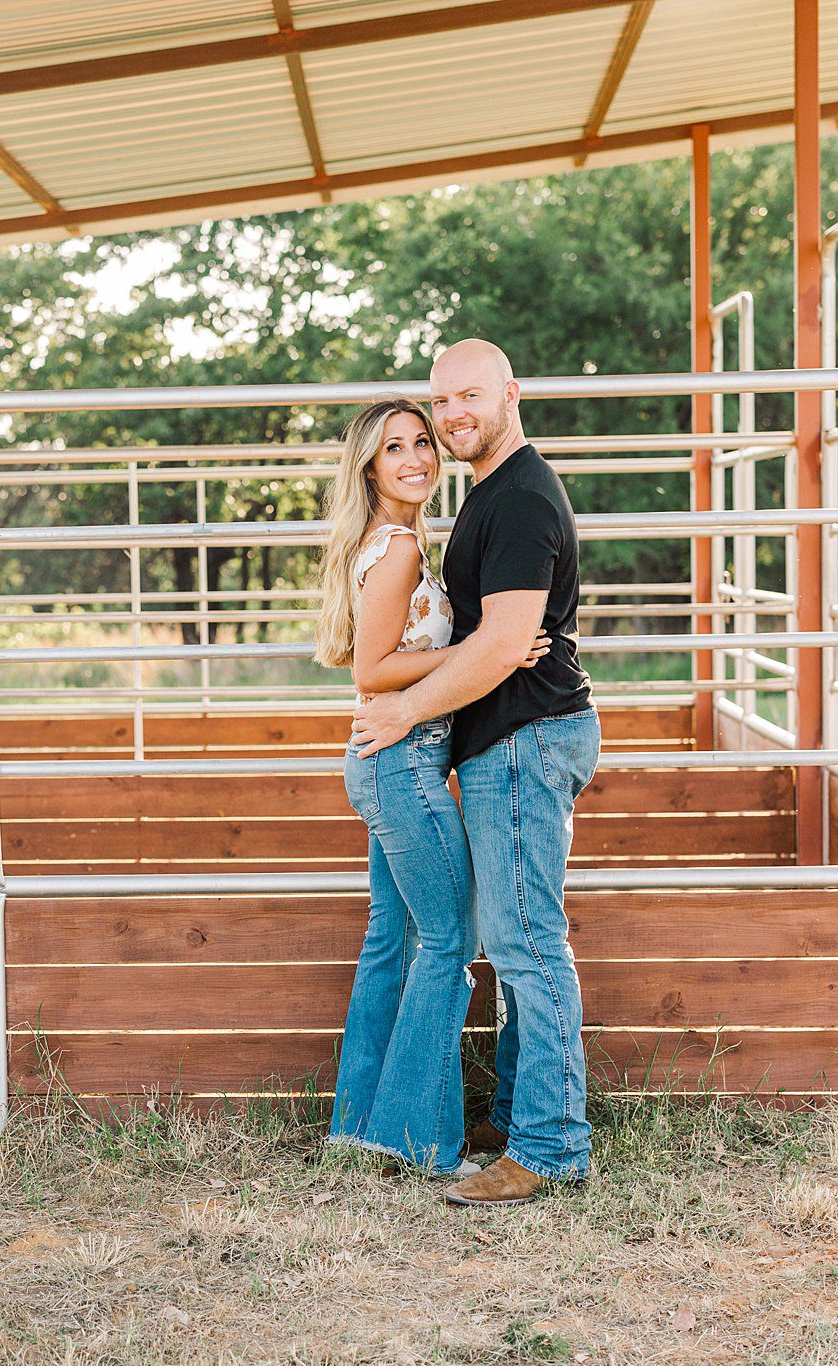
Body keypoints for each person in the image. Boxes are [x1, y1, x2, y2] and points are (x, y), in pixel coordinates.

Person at [352, 339, 601, 1207]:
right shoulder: (490, 496)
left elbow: (502, 645)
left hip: (527, 739)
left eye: (470, 397)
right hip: (503, 743)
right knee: (514, 944)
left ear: (510, 395)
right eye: (442, 400)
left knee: (529, 947)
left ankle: (551, 1146)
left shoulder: (524, 498)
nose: (453, 415)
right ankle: (520, 1113)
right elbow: (485, 640)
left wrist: (405, 709)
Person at [315, 397, 546, 1177]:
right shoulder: (400, 550)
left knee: (394, 940)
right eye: (395, 449)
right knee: (450, 940)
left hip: (394, 762)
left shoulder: (398, 540)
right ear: (369, 467)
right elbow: (371, 669)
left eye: (422, 442)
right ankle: (422, 1140)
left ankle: (359, 1122)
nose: (416, 457)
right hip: (402, 763)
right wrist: (490, 644)